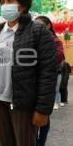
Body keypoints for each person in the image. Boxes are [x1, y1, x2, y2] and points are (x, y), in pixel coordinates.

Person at [0, 0, 58, 146]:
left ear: (23, 4)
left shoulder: (38, 32)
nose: (5, 5)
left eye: (10, 0)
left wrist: (43, 110)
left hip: (22, 103)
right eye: (3, 1)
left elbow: (48, 72)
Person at [35, 16, 65, 146]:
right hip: (31, 82)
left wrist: (40, 56)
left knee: (43, 113)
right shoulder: (32, 39)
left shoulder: (55, 41)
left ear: (48, 26)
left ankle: (41, 142)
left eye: (39, 25)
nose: (36, 27)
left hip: (48, 80)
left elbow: (59, 56)